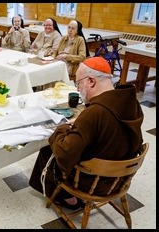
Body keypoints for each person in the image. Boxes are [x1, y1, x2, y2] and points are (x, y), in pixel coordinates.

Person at [29, 56, 143, 210]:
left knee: (48, 149)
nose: (77, 89)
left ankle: (67, 197)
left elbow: (64, 155)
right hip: (120, 177)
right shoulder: (131, 102)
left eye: (78, 83)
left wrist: (62, 128)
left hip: (94, 181)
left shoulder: (94, 113)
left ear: (91, 81)